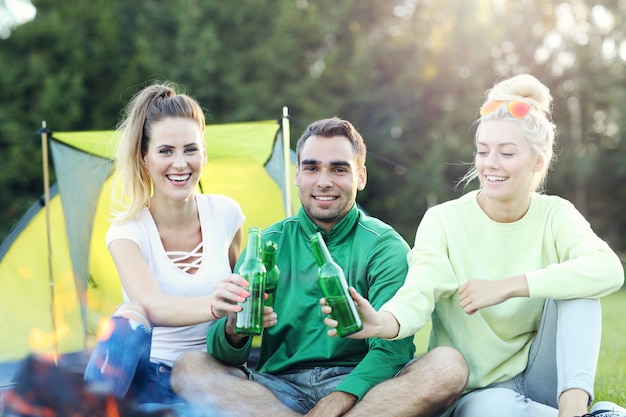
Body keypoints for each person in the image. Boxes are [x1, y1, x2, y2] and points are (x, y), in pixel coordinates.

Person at [322, 75, 625, 417]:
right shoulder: (444, 221)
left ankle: (575, 412)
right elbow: (418, 292)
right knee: (490, 411)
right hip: (479, 393)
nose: (490, 163)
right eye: (483, 151)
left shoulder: (555, 214)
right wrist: (382, 322)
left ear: (537, 162)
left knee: (581, 285)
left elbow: (608, 270)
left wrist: (510, 287)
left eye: (507, 152)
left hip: (544, 378)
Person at [170, 117, 469, 417]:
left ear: (360, 177)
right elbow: (222, 353)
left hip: (363, 389)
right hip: (275, 389)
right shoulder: (266, 243)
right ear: (297, 174)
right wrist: (234, 328)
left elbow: (393, 350)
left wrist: (340, 397)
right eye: (312, 168)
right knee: (190, 368)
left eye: (339, 169)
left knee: (447, 365)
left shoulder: (385, 246)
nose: (324, 181)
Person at [83, 82, 250, 411]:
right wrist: (218, 304)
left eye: (190, 149)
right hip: (148, 375)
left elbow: (238, 305)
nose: (180, 163)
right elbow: (152, 306)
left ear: (203, 152)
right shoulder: (127, 231)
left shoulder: (227, 214)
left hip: (210, 374)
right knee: (130, 314)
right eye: (165, 151)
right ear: (144, 158)